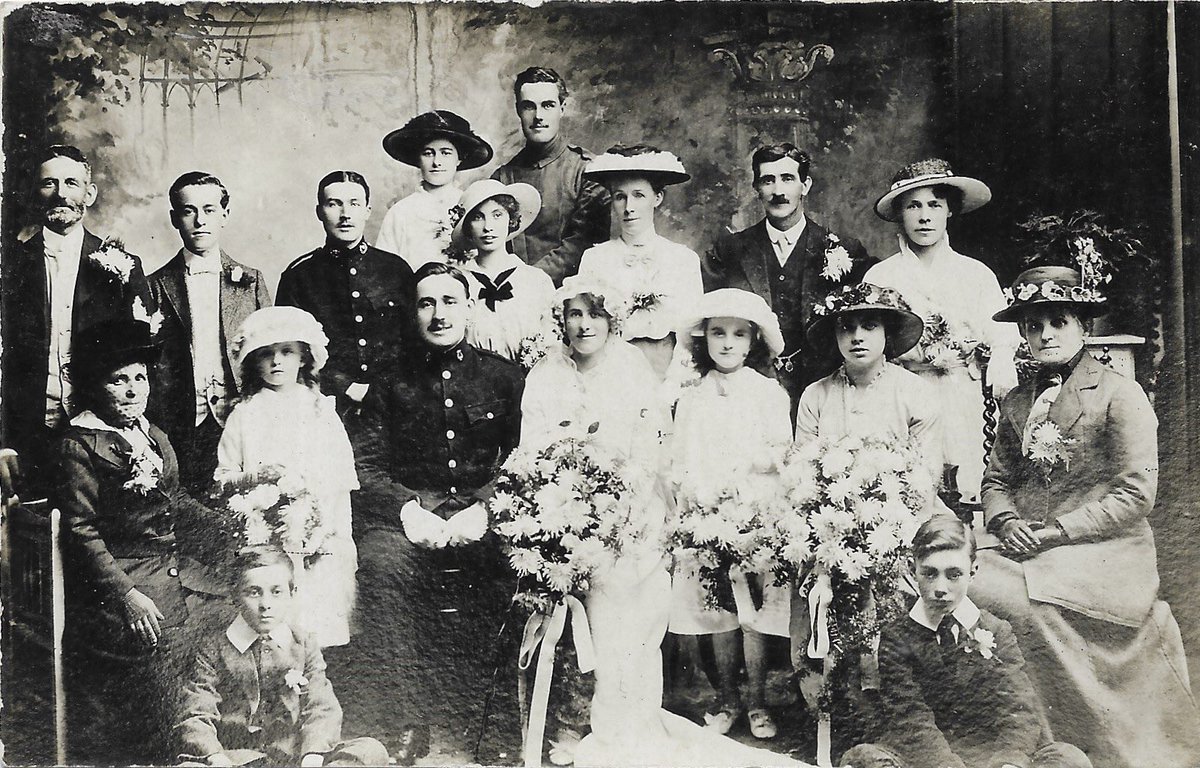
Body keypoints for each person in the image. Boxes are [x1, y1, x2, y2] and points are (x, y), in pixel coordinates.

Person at [520, 276, 797, 767]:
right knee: (580, 603)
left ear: (613, 320)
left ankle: (634, 713)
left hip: (638, 509)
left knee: (645, 607)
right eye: (575, 314)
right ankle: (573, 720)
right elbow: (536, 449)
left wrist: (627, 506)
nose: (584, 324)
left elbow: (651, 449)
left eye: (596, 314)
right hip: (569, 506)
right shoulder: (546, 375)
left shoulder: (632, 367)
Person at [973, 266, 1200, 768]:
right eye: (1034, 325)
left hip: (1104, 551)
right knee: (969, 583)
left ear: (1083, 326)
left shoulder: (1120, 392)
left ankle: (1074, 741)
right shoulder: (1018, 400)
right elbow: (995, 481)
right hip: (1030, 544)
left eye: (1058, 321)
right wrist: (1006, 522)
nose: (1046, 334)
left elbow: (1136, 493)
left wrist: (1058, 532)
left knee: (1024, 606)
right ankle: (1015, 735)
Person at [350, 262, 524, 763]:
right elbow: (365, 464)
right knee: (381, 567)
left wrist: (487, 503)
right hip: (408, 514)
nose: (439, 314)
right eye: (427, 303)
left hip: (482, 510)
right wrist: (407, 509)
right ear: (413, 312)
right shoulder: (388, 380)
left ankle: (496, 722)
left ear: (469, 308)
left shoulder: (503, 376)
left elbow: (524, 455)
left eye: (450, 301)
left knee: (516, 567)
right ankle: (405, 720)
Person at [52, 318, 227, 763]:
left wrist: (231, 527)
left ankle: (203, 741)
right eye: (119, 381)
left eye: (140, 378)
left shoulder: (152, 435)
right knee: (166, 639)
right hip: (120, 581)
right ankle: (152, 751)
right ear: (95, 387)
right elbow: (81, 530)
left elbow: (177, 500)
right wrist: (127, 595)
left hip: (167, 566)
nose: (133, 391)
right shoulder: (80, 444)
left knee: (232, 609)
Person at [841, 515, 1092, 768]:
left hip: (989, 755)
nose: (940, 588)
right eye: (930, 573)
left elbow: (1018, 708)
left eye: (954, 575)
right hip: (926, 756)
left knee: (1069, 759)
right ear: (911, 568)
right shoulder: (897, 637)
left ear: (973, 572)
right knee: (863, 759)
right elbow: (911, 718)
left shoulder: (996, 631)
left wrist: (1009, 762)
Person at [667, 289, 792, 740]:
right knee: (717, 612)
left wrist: (747, 484)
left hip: (756, 515)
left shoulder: (768, 393)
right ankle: (727, 697)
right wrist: (699, 497)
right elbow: (681, 460)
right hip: (707, 517)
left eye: (739, 334)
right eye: (718, 333)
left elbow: (781, 454)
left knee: (753, 614)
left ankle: (757, 699)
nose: (727, 343)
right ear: (705, 339)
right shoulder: (692, 397)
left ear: (753, 341)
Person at [865, 159, 1022, 505]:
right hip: (902, 393)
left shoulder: (976, 274)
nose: (924, 216)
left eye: (934, 205)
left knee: (966, 488)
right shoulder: (881, 277)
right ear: (900, 213)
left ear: (949, 210)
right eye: (913, 206)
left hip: (961, 394)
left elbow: (1002, 333)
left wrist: (1000, 356)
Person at [2, 144, 154, 493]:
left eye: (71, 183)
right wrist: (3, 441)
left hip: (101, 437)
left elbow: (142, 362)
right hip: (24, 436)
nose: (61, 193)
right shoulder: (10, 264)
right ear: (35, 192)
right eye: (49, 183)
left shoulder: (122, 265)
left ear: (90, 193)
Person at [214, 307, 358, 649]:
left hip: (319, 535)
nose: (276, 361)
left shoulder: (321, 410)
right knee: (274, 626)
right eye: (266, 353)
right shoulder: (245, 414)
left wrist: (331, 533)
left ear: (303, 357)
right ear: (254, 361)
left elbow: (340, 482)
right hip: (265, 538)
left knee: (318, 620)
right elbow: (223, 479)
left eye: (287, 352)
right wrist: (256, 479)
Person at [176, 546, 390, 767]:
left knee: (371, 751)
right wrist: (216, 757)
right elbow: (196, 711)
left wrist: (312, 756)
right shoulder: (214, 646)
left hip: (294, 757)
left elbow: (321, 706)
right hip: (236, 759)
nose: (265, 605)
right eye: (254, 592)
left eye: (276, 592)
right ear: (235, 596)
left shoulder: (303, 643)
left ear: (291, 594)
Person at [703, 143, 871, 424]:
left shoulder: (844, 249)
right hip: (751, 390)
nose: (778, 190)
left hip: (823, 389)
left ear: (805, 185)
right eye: (768, 180)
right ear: (756, 188)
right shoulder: (730, 251)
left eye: (788, 179)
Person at [148, 171, 271, 496]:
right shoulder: (154, 285)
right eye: (189, 211)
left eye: (209, 210)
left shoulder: (250, 282)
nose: (200, 221)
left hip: (241, 417)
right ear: (175, 218)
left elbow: (269, 352)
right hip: (182, 424)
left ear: (225, 215)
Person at [275, 171, 414, 419]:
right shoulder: (298, 277)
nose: (345, 214)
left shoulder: (396, 270)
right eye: (334, 204)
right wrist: (344, 386)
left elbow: (414, 343)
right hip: (323, 406)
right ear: (319, 212)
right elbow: (291, 351)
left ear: (367, 211)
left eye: (354, 204)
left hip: (394, 406)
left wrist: (384, 391)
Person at [577, 144, 702, 382]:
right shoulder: (595, 259)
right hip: (612, 376)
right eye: (620, 197)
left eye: (639, 195)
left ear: (657, 198)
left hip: (668, 375)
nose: (629, 208)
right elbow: (588, 330)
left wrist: (674, 386)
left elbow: (691, 335)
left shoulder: (683, 259)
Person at [492, 66, 610, 285]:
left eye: (547, 105)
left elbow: (581, 244)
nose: (538, 116)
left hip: (567, 294)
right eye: (529, 106)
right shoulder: (502, 178)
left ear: (562, 109)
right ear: (518, 110)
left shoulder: (589, 171)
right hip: (509, 292)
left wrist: (527, 283)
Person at [450, 178, 555, 362]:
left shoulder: (536, 281)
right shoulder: (457, 282)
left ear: (511, 220)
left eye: (497, 215)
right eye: (478, 217)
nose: (488, 227)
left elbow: (552, 341)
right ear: (468, 227)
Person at [378, 110, 494, 270]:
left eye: (446, 153)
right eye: (428, 153)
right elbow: (385, 271)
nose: (436, 162)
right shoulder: (400, 213)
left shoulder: (473, 207)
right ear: (418, 159)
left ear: (459, 159)